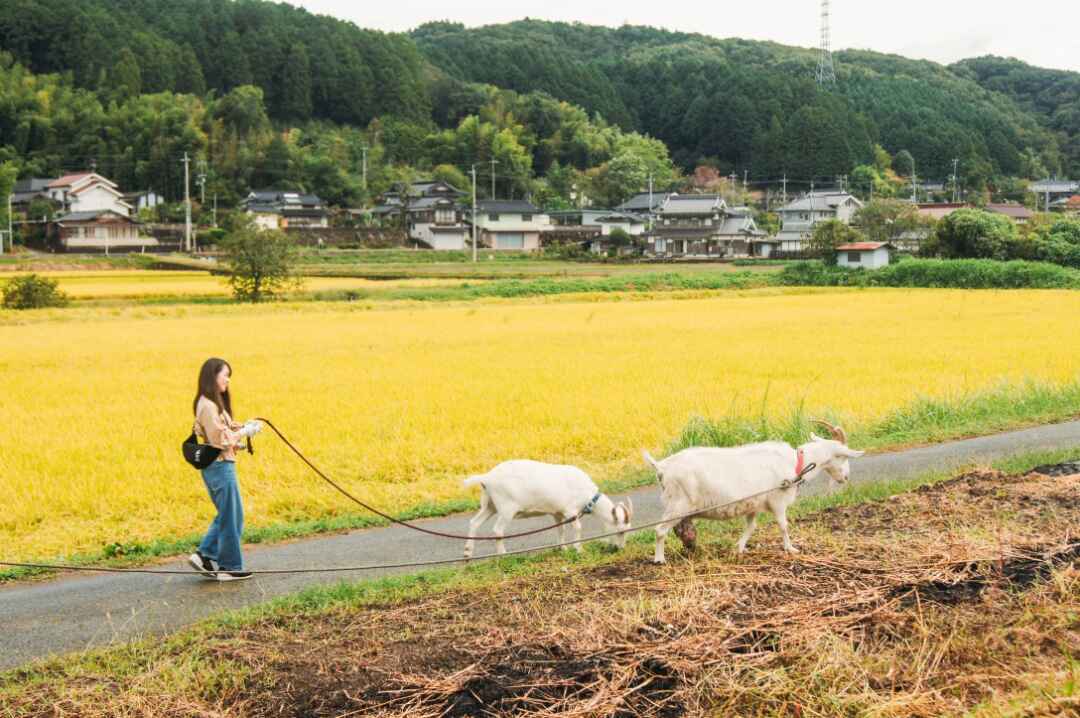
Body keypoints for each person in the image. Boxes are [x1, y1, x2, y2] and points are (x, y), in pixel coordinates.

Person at [187, 358, 262, 581]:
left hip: (219, 465)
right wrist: (245, 432)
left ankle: (205, 556)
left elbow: (221, 434)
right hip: (220, 467)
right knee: (231, 516)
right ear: (213, 376)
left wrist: (243, 430)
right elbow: (221, 439)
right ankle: (229, 567)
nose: (228, 380)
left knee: (230, 514)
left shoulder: (209, 403)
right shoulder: (208, 406)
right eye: (225, 375)